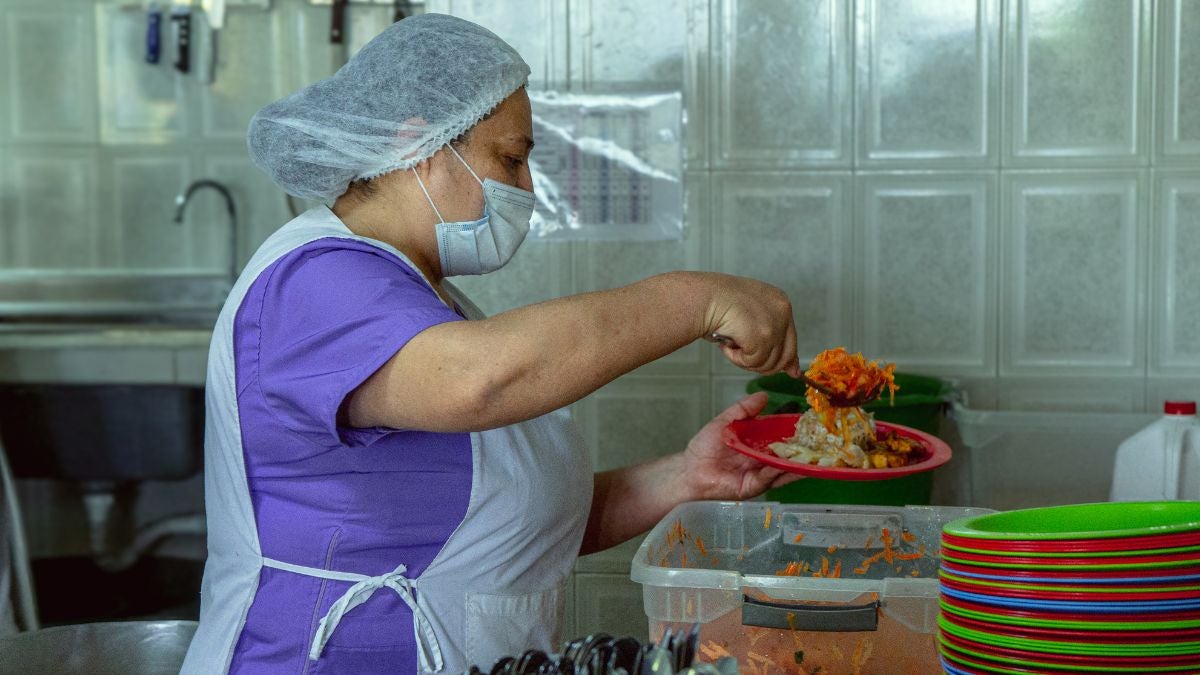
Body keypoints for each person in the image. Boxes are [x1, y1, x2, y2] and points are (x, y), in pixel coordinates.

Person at [181, 13, 801, 675]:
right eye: (510, 158)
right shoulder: (312, 281)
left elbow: (518, 528)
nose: (526, 188)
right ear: (419, 145)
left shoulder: (421, 301)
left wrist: (685, 477)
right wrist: (695, 299)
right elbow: (478, 381)